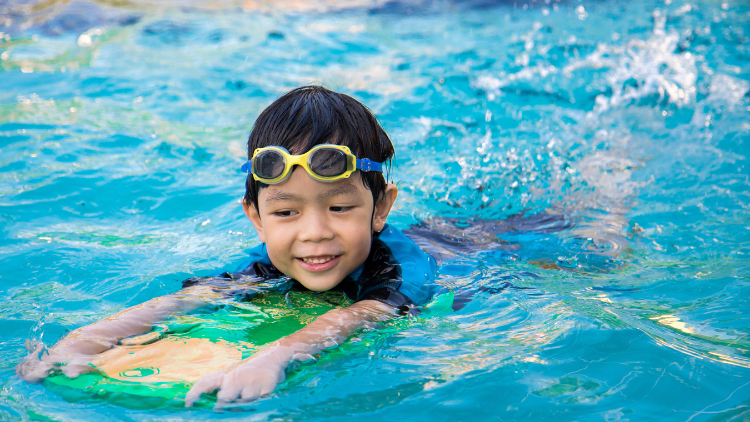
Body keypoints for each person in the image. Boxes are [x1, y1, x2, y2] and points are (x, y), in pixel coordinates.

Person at [16, 86, 446, 407]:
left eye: (338, 206)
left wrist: (276, 356)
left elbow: (364, 314)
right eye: (286, 213)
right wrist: (85, 340)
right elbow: (187, 300)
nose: (313, 232)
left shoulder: (400, 267)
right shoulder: (270, 263)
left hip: (468, 244)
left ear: (380, 208)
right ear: (255, 217)